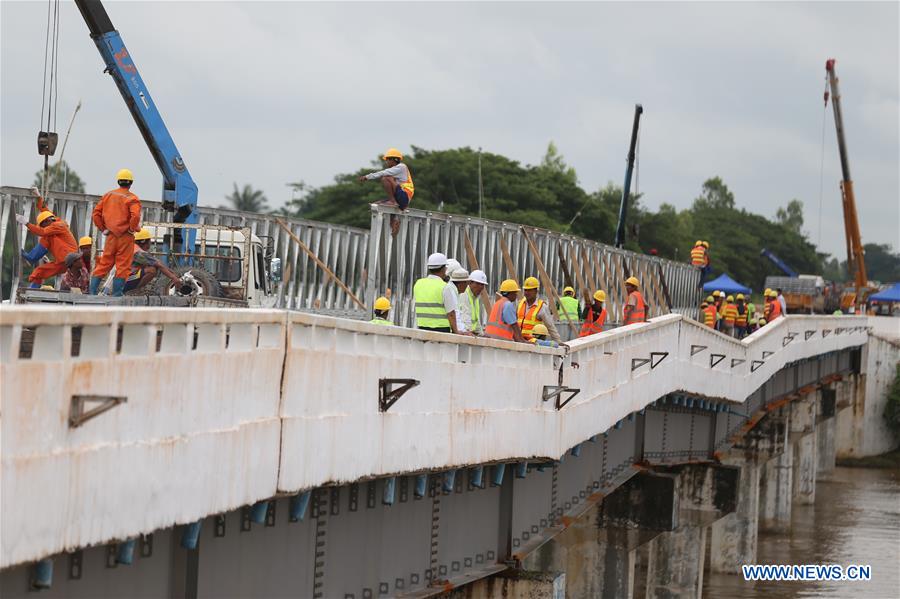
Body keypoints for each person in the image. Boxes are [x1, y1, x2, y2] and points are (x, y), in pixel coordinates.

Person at [90, 168, 142, 297]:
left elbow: (96, 214)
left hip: (111, 237)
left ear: (118, 181)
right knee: (123, 266)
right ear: (131, 183)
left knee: (104, 263)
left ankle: (92, 292)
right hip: (125, 237)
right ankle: (117, 293)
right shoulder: (132, 198)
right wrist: (131, 228)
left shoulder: (108, 195)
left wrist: (104, 229)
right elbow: (135, 216)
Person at [16, 190, 78, 288]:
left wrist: (26, 223)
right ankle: (32, 293)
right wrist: (38, 197)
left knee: (46, 236)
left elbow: (42, 232)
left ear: (47, 221)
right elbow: (45, 210)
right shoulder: (54, 220)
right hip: (62, 262)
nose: (43, 227)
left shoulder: (58, 225)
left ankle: (32, 257)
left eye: (43, 225)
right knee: (39, 272)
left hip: (67, 258)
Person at [124, 228, 184, 293]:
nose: (151, 242)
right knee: (151, 270)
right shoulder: (139, 253)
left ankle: (135, 290)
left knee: (152, 266)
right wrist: (174, 278)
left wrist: (172, 273)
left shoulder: (134, 248)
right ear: (144, 241)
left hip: (123, 278)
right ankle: (135, 291)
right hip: (124, 280)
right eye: (150, 240)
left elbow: (157, 261)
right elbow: (158, 264)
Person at [413, 252, 458, 333]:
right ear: (443, 269)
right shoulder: (445, 287)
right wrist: (456, 332)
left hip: (422, 328)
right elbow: (451, 314)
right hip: (442, 330)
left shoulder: (418, 284)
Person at [518, 276, 562, 342]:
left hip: (533, 343)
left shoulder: (542, 307)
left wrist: (558, 342)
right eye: (525, 290)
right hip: (519, 341)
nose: (526, 293)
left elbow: (550, 327)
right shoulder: (521, 303)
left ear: (536, 291)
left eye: (529, 290)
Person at [459, 269, 488, 335]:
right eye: (477, 284)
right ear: (470, 283)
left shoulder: (476, 298)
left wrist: (481, 334)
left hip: (470, 333)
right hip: (464, 333)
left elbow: (476, 320)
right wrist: (468, 332)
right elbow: (465, 317)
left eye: (482, 284)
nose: (480, 287)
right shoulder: (464, 294)